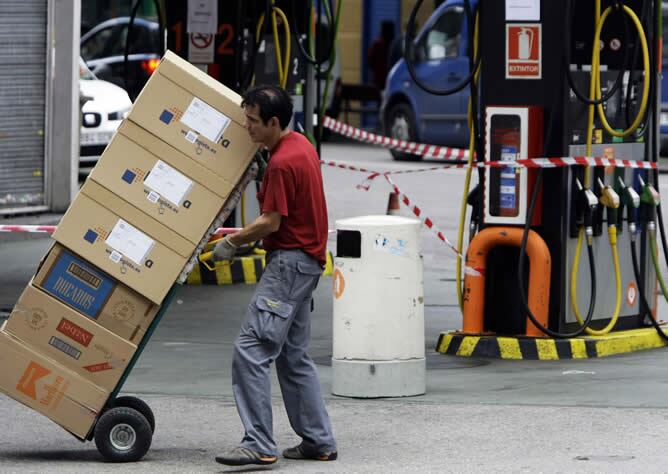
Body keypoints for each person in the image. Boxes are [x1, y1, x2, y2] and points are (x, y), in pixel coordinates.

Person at [212, 85, 337, 467]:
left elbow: (271, 221)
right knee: (293, 357)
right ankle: (318, 440)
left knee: (250, 351)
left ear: (274, 122)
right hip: (307, 263)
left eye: (252, 120)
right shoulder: (301, 145)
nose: (246, 126)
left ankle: (259, 443)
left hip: (289, 267)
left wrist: (233, 243)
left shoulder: (282, 163)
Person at [367, 20, 395, 90]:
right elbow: (370, 60)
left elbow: (370, 61)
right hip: (382, 80)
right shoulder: (378, 45)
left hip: (385, 79)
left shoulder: (378, 45)